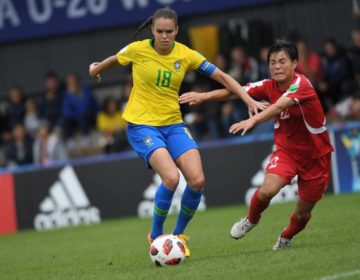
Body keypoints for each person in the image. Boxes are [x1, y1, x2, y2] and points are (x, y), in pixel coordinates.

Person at [89, 7, 265, 257]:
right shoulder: (137, 49)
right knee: (171, 178)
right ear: (152, 30)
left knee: (197, 180)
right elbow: (112, 60)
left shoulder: (187, 54)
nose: (163, 36)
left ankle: (178, 235)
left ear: (176, 31)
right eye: (159, 31)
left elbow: (224, 77)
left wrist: (247, 100)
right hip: (142, 125)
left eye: (168, 32)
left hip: (173, 124)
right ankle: (157, 234)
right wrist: (94, 70)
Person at [179, 40, 334, 250]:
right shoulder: (268, 85)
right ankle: (251, 220)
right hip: (287, 151)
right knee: (267, 191)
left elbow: (280, 105)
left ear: (295, 63)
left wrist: (252, 120)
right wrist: (203, 96)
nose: (277, 66)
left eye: (282, 62)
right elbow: (237, 91)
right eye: (272, 62)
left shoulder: (302, 84)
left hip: (316, 157)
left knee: (302, 212)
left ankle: (286, 237)